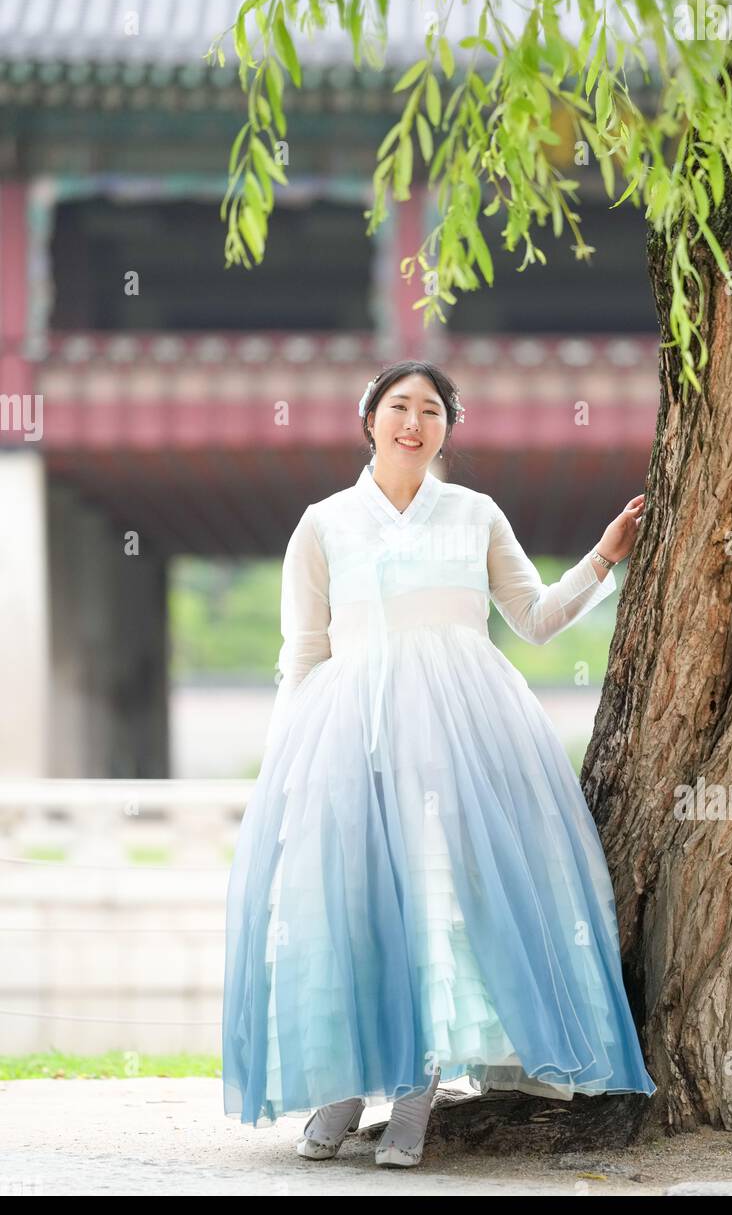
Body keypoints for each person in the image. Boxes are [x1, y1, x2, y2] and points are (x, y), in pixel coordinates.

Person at [222, 360, 656, 1169]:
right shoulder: (323, 523)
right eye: (398, 407)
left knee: (434, 900)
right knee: (347, 903)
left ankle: (418, 1088)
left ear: (448, 426)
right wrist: (290, 764)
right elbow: (304, 652)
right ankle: (346, 1084)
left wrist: (602, 559)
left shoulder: (474, 514)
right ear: (370, 419)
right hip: (346, 734)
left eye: (430, 410)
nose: (412, 423)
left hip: (461, 735)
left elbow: (530, 618)